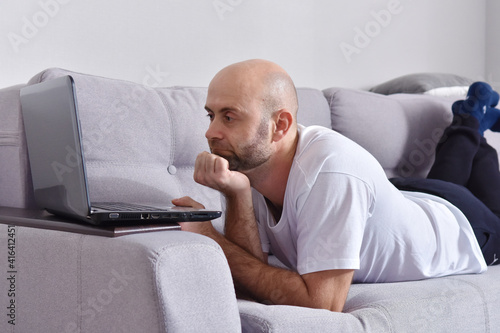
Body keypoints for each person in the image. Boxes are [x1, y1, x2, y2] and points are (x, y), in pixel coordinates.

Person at [172, 59, 499, 312]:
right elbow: (249, 278)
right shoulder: (258, 163)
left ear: (279, 125)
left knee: (472, 196)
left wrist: (211, 237)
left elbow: (323, 306)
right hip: (409, 196)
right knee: (444, 180)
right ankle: (473, 121)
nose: (210, 132)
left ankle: (472, 118)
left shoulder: (330, 169)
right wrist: (236, 192)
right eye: (210, 115)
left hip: (464, 223)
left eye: (228, 117)